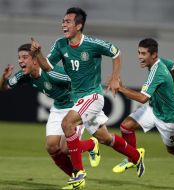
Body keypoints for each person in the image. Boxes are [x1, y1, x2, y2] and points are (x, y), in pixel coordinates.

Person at [30, 7, 145, 189]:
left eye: (68, 21)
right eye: (63, 21)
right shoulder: (60, 44)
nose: (63, 24)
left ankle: (79, 174)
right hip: (79, 100)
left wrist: (115, 78)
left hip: (93, 96)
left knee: (67, 124)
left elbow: (116, 52)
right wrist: (37, 54)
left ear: (79, 25)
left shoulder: (92, 44)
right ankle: (137, 156)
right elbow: (48, 67)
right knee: (106, 139)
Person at [0, 43, 101, 190]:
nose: (20, 61)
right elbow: (4, 88)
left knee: (65, 148)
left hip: (74, 108)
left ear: (35, 60)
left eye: (25, 57)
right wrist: (3, 78)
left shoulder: (52, 73)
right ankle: (76, 179)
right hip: (58, 108)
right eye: (19, 58)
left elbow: (78, 81)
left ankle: (92, 144)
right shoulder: (23, 75)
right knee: (52, 147)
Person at [112, 38, 174, 190]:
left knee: (173, 149)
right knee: (126, 126)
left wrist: (120, 88)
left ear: (154, 55)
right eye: (139, 53)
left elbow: (142, 98)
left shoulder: (157, 71)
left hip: (169, 118)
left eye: (143, 53)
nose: (140, 57)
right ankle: (133, 157)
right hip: (153, 108)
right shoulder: (161, 62)